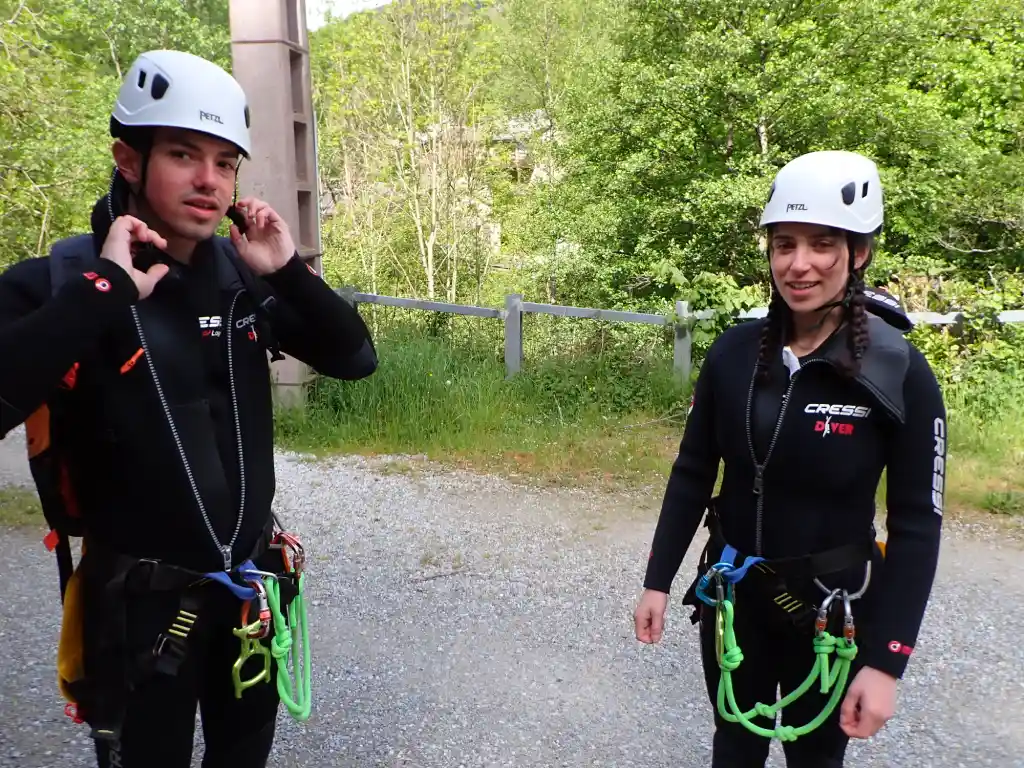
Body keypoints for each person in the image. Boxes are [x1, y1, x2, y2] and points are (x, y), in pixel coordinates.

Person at [0, 49, 377, 767]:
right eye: (183, 153)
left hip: (249, 595)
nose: (210, 180)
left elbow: (356, 359)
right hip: (138, 608)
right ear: (129, 159)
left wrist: (290, 272)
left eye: (226, 162)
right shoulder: (60, 280)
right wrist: (103, 290)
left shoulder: (242, 276)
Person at [633, 150, 946, 767]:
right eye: (784, 244)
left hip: (832, 610)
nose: (799, 264)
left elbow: (917, 524)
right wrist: (657, 581)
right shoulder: (735, 353)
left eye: (822, 244)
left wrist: (887, 661)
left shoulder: (897, 371)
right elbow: (694, 472)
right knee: (735, 748)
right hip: (734, 598)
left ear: (859, 252)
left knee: (814, 761)